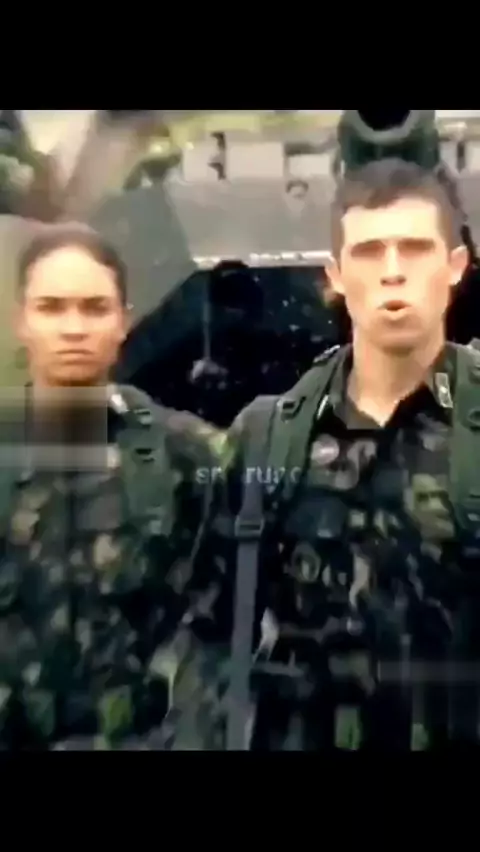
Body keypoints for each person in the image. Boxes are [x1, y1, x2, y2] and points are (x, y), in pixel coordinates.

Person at [191, 157, 480, 751]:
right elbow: (210, 634)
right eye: (369, 252)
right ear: (336, 275)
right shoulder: (269, 438)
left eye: (415, 249)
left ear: (455, 266)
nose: (393, 273)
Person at [0, 222, 223, 750]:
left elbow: (224, 615)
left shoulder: (184, 454)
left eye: (94, 308)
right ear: (20, 321)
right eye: (52, 308)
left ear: (124, 321)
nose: (73, 328)